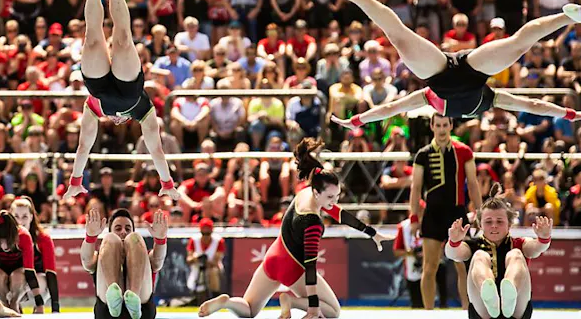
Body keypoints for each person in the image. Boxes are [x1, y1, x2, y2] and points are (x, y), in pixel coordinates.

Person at [327, 0, 581, 123]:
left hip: (438, 72)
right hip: (472, 68)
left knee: (400, 37)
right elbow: (534, 105)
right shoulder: (492, 100)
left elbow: (388, 109)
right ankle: (570, 16)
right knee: (518, 43)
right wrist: (568, 113)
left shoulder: (427, 99)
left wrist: (358, 120)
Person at [198, 138, 389, 319]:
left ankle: (228, 302)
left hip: (273, 258)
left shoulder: (308, 191)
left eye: (337, 195)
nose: (334, 201)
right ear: (317, 192)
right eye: (331, 197)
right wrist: (313, 306)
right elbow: (310, 266)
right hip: (293, 267)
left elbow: (338, 213)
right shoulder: (313, 222)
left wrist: (371, 232)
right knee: (333, 311)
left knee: (248, 309)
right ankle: (291, 300)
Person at [65, 0, 178, 200]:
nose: (116, 121)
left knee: (94, 39)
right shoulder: (143, 111)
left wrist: (75, 180)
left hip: (99, 88)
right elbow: (156, 149)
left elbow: (83, 146)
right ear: (126, 121)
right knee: (123, 39)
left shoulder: (94, 108)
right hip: (130, 87)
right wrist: (167, 182)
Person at [406, 114, 482, 310]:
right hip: (432, 214)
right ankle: (428, 312)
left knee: (462, 266)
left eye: (444, 125)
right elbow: (415, 188)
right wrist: (414, 217)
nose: (441, 129)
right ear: (432, 126)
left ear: (451, 126)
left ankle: (468, 310)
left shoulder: (464, 151)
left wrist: (480, 212)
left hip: (457, 213)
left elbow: (473, 184)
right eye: (437, 125)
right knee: (429, 267)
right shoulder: (422, 154)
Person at [445, 184, 553, 319]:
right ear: (480, 224)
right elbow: (452, 254)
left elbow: (536, 248)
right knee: (479, 255)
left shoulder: (519, 244)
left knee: (516, 254)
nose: (494, 225)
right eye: (489, 221)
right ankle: (490, 298)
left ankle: (510, 293)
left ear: (510, 224)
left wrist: (543, 238)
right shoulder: (473, 246)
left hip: (516, 311)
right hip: (483, 312)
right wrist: (454, 241)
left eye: (500, 221)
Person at [82, 208, 168, 319]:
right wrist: (90, 236)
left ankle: (133, 298)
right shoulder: (100, 255)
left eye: (128, 228)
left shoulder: (144, 255)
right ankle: (113, 297)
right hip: (107, 311)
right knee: (110, 239)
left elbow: (158, 261)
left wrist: (160, 239)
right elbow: (87, 261)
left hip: (141, 310)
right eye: (118, 228)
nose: (123, 232)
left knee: (134, 238)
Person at [0, 210, 47, 314]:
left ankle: (14, 303)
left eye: (8, 241)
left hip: (19, 272)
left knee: (17, 276)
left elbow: (29, 271)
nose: (4, 246)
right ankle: (5, 304)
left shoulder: (23, 236)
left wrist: (39, 303)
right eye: (0, 241)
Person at [10, 197, 60, 312]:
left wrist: (55, 307)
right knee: (13, 276)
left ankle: (38, 309)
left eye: (25, 217)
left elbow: (51, 272)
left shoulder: (43, 239)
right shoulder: (5, 238)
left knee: (40, 279)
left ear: (31, 217)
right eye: (16, 217)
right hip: (14, 285)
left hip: (39, 284)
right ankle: (15, 308)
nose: (20, 222)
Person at [186, 218, 225, 298]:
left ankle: (215, 296)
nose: (206, 236)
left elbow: (215, 262)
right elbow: (189, 259)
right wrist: (197, 258)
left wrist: (205, 260)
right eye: (203, 233)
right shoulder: (194, 240)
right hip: (197, 269)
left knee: (212, 272)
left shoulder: (218, 241)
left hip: (213, 269)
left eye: (208, 233)